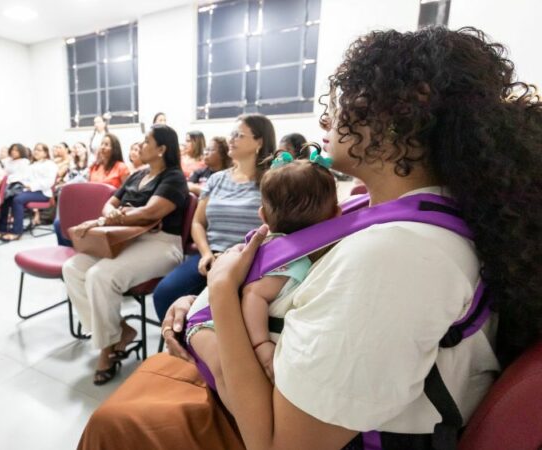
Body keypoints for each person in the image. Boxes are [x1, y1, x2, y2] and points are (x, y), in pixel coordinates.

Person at [78, 27, 542, 450]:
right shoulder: (378, 209)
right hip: (275, 373)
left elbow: (280, 443)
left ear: (401, 113)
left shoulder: (398, 254)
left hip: (285, 424)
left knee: (115, 423)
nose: (328, 118)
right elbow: (301, 285)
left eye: (347, 97)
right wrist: (202, 304)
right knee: (123, 411)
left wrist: (219, 294)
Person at [186, 155, 339, 403]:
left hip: (209, 315)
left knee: (231, 377)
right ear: (337, 214)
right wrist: (260, 345)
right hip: (207, 323)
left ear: (263, 216)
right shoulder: (292, 257)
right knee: (229, 379)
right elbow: (254, 294)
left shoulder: (278, 245)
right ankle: (240, 421)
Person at [63, 124, 189, 386]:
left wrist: (115, 216)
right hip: (124, 238)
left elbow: (152, 212)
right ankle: (119, 331)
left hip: (161, 244)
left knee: (100, 275)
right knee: (73, 268)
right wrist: (111, 212)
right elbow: (111, 201)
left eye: (146, 141)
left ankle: (107, 350)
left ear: (162, 149)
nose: (141, 146)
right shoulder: (137, 175)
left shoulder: (173, 177)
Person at [152, 116, 273, 320]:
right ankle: (184, 344)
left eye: (239, 135)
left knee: (223, 307)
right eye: (231, 134)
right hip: (212, 255)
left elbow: (276, 227)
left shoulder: (271, 180)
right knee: (165, 293)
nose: (231, 139)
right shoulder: (217, 179)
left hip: (251, 260)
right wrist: (206, 254)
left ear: (259, 142)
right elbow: (198, 223)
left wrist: (238, 258)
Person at [0, 143, 57, 240]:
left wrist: (31, 186)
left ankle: (16, 232)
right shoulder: (31, 164)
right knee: (7, 196)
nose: (36, 151)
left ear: (45, 153)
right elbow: (24, 177)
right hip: (28, 190)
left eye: (39, 150)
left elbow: (49, 182)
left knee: (18, 199)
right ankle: (2, 229)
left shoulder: (50, 164)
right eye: (35, 149)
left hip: (42, 193)